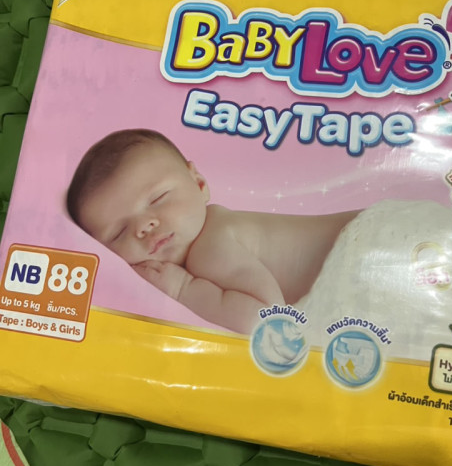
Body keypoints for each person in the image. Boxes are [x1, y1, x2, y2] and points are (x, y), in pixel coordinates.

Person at [66, 129, 358, 334]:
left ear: (200, 184)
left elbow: (266, 320)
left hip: (362, 252)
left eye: (158, 199)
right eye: (119, 232)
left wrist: (183, 289)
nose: (144, 226)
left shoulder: (211, 244)